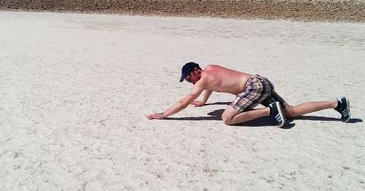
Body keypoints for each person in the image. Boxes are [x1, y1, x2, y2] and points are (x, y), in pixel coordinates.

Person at [146, 62, 351, 127]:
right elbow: (212, 85)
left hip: (253, 87)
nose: (189, 81)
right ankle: (336, 103)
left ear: (195, 71)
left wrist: (163, 115)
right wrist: (204, 101)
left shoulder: (203, 78)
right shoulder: (210, 70)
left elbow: (184, 102)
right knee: (292, 112)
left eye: (188, 77)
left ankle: (269, 112)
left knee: (227, 119)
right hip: (262, 82)